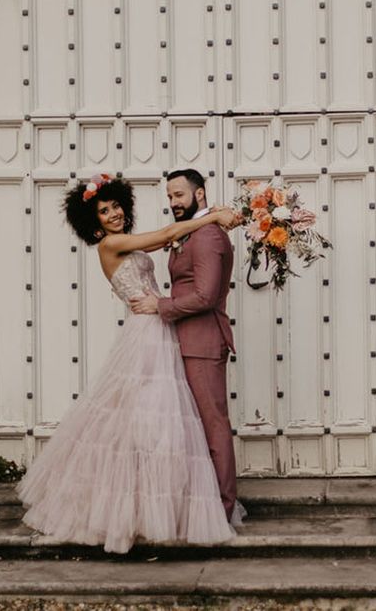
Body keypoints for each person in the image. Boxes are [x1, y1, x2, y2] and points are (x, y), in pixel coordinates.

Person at [16, 174, 243, 554]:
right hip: (146, 332)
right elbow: (168, 232)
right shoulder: (111, 245)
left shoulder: (125, 242)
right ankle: (138, 509)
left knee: (161, 423)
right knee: (142, 423)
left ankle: (166, 503)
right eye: (104, 211)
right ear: (95, 222)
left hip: (163, 326)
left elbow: (172, 240)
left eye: (116, 206)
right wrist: (214, 215)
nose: (114, 214)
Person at [129, 170, 242, 525]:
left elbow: (206, 295)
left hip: (203, 343)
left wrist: (159, 306)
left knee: (213, 426)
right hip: (183, 340)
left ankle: (222, 510)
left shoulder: (207, 235)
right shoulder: (192, 231)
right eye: (169, 197)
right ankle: (200, 505)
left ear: (200, 194)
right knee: (192, 427)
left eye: (179, 195)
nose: (173, 202)